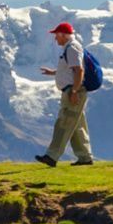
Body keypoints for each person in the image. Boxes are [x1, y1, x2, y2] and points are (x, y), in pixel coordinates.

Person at [36, 22, 94, 167]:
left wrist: (74, 91)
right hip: (72, 90)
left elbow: (79, 70)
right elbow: (70, 69)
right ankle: (85, 157)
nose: (56, 39)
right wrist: (53, 73)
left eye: (57, 35)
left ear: (63, 35)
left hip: (73, 91)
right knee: (76, 126)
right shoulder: (70, 48)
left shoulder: (72, 48)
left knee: (63, 124)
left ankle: (52, 156)